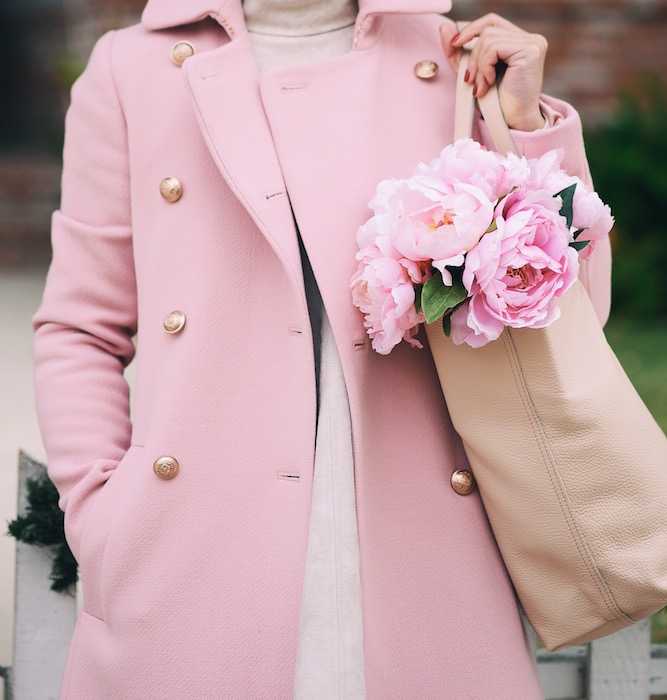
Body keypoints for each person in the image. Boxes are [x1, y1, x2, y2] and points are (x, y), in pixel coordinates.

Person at [33, 1, 612, 698]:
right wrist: (102, 512)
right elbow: (80, 326)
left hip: (425, 552)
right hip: (192, 556)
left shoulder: (457, 56)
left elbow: (570, 311)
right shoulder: (131, 69)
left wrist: (526, 127)